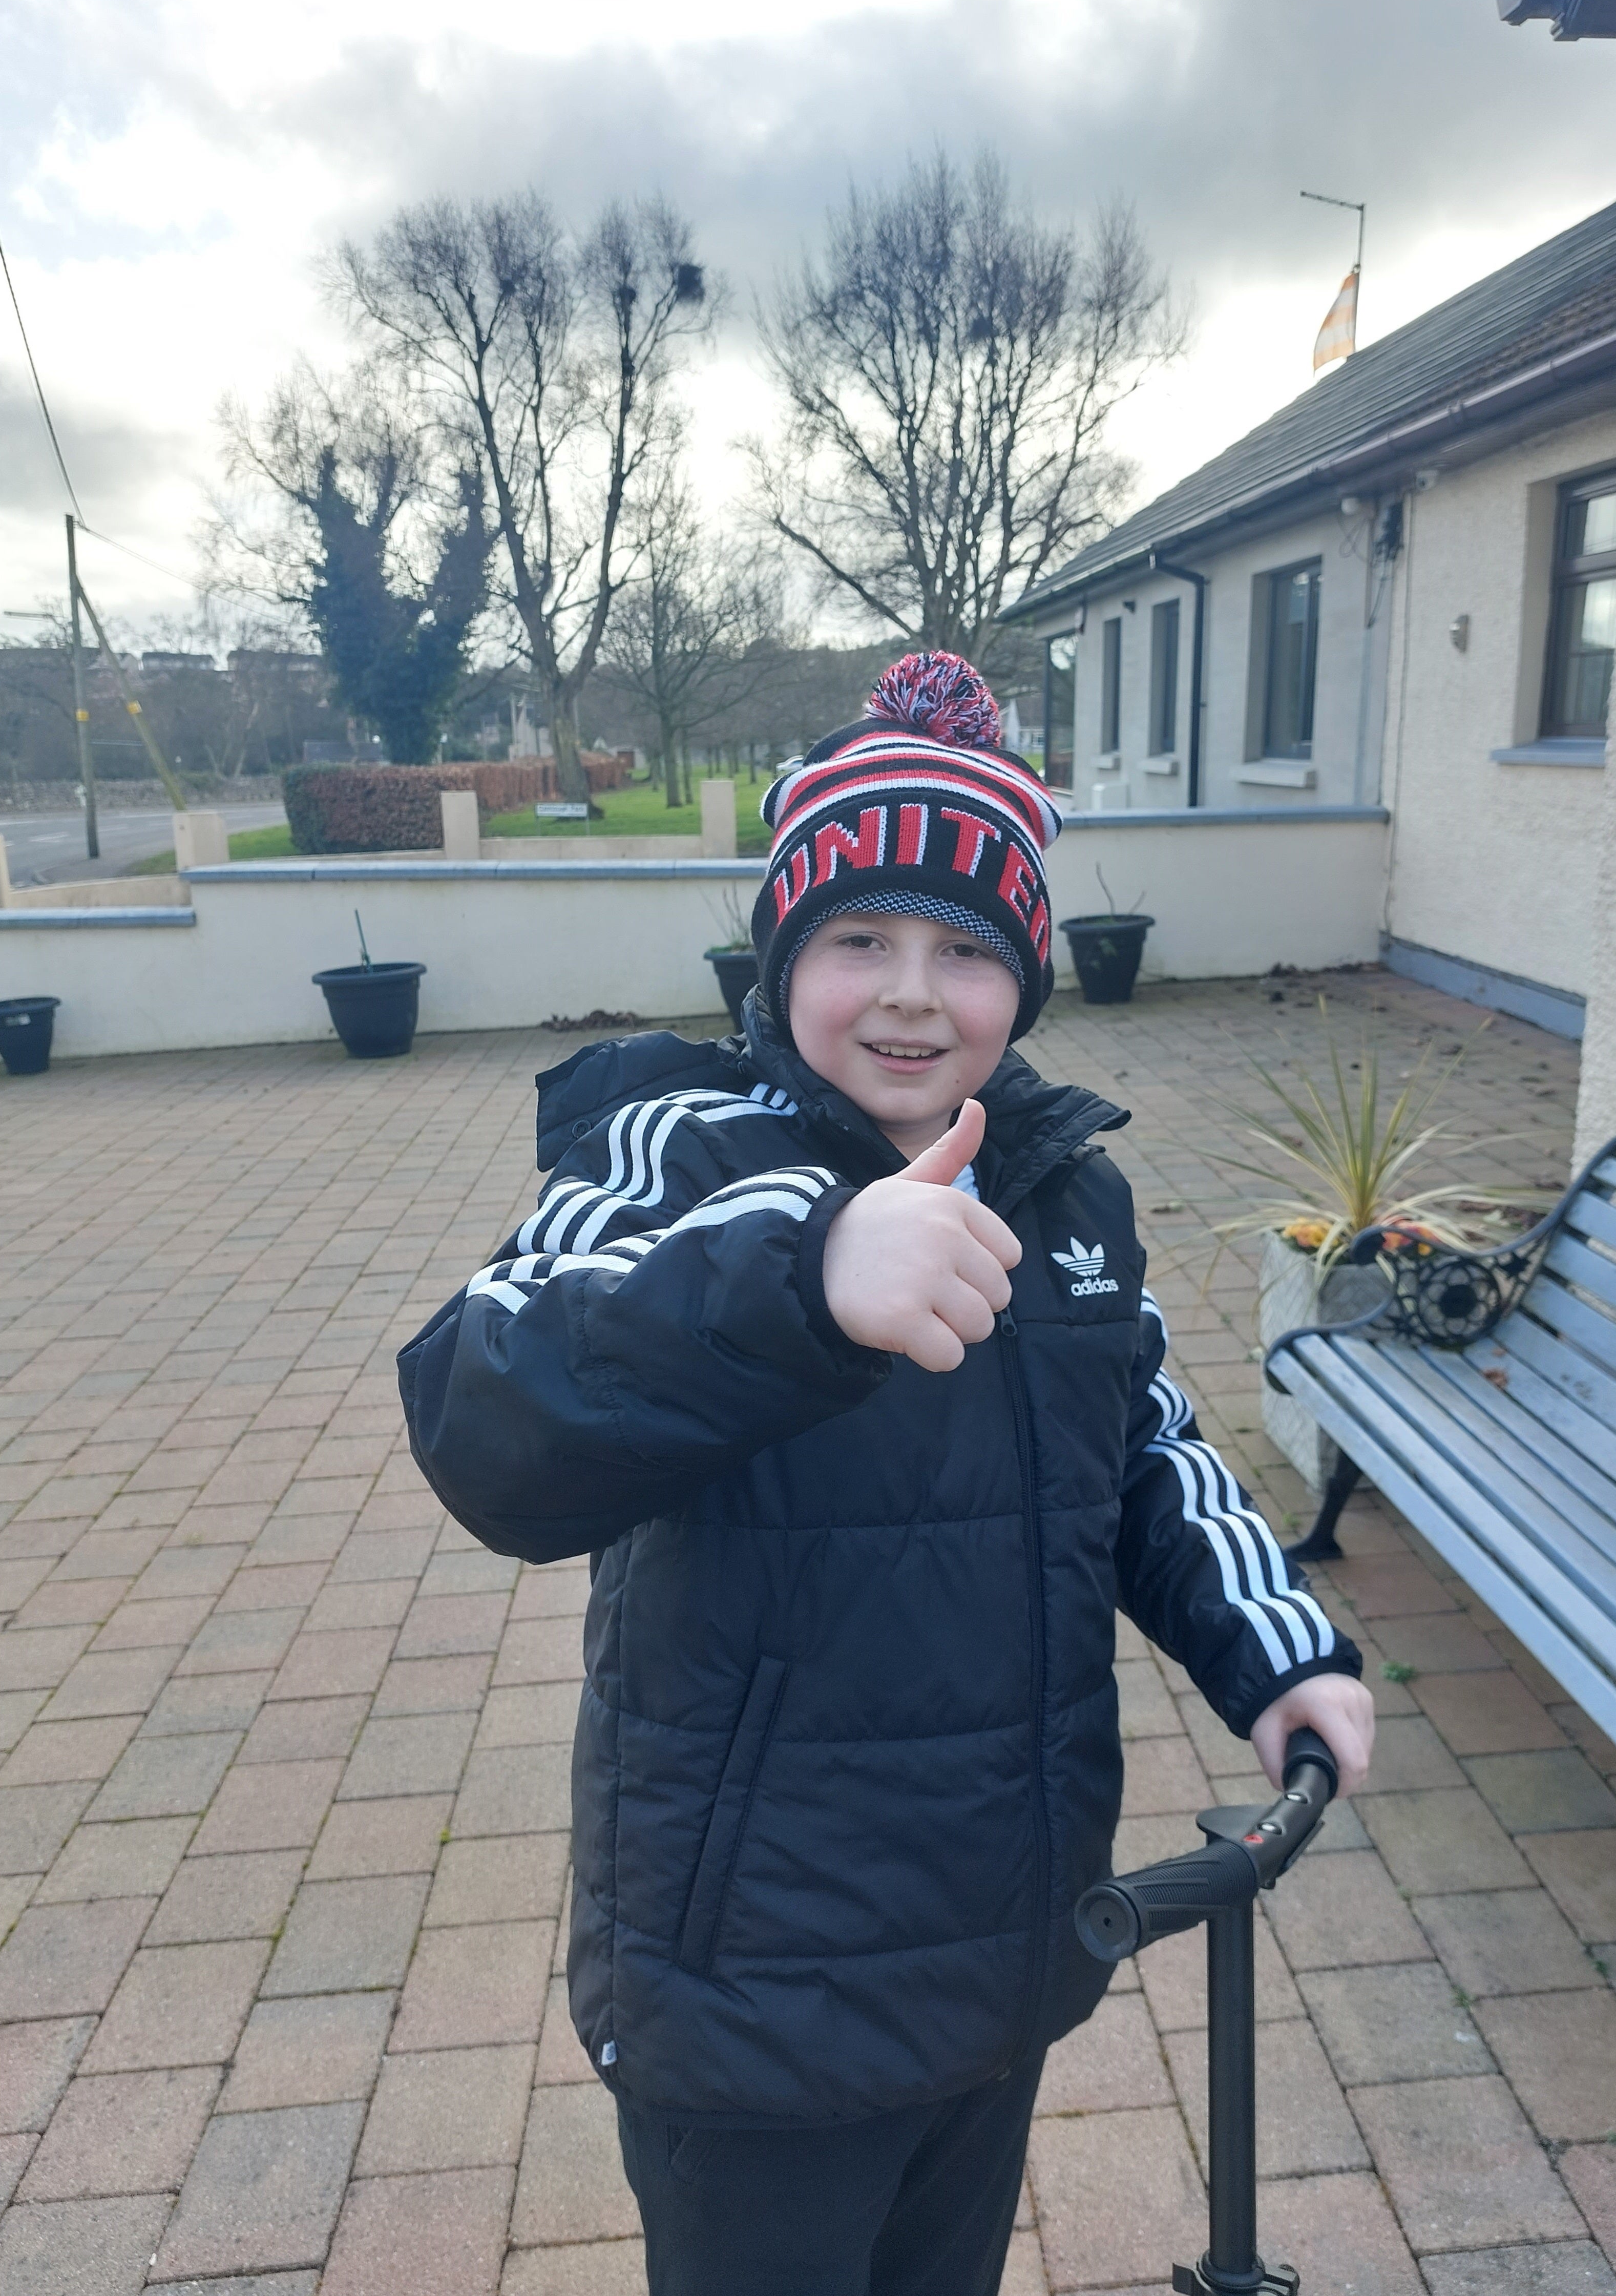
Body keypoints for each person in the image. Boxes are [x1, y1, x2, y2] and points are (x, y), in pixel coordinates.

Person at [398, 650, 1374, 2296]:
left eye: (967, 950)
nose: (912, 993)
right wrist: (803, 1278)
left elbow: (1143, 1435)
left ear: (1027, 981)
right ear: (780, 956)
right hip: (748, 1984)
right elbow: (483, 1405)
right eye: (858, 938)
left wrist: (1273, 1649)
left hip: (1000, 1943)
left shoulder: (1060, 1187)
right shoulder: (678, 1151)